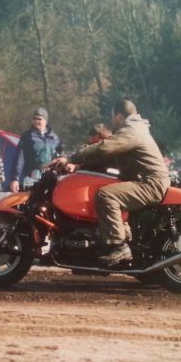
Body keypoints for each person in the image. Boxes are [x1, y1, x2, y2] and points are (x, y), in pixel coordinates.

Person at [50, 99, 170, 266]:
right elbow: (109, 157)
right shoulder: (135, 128)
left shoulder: (131, 130)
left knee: (106, 195)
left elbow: (104, 148)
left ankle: (118, 246)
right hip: (146, 181)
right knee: (105, 189)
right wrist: (78, 166)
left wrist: (70, 158)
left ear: (119, 116)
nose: (111, 120)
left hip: (150, 183)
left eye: (112, 117)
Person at [9, 107, 62, 192]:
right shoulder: (27, 137)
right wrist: (15, 178)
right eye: (34, 119)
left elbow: (60, 158)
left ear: (45, 121)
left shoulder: (54, 138)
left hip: (50, 177)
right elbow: (19, 158)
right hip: (31, 177)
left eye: (39, 119)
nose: (36, 121)